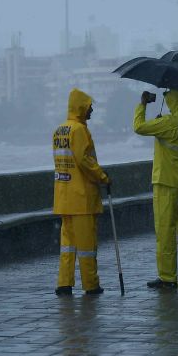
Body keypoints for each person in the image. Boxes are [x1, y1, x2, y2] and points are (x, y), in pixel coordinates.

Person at [133, 89, 178, 290]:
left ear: (173, 100)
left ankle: (168, 277)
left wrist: (143, 104)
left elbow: (138, 127)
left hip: (166, 183)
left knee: (166, 231)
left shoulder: (167, 123)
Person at [53, 88, 111, 296]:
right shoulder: (79, 130)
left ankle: (64, 283)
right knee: (87, 245)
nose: (92, 111)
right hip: (81, 198)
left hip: (63, 197)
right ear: (81, 107)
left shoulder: (60, 130)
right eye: (89, 107)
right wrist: (103, 177)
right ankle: (91, 284)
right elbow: (84, 161)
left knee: (67, 245)